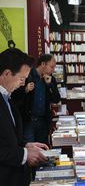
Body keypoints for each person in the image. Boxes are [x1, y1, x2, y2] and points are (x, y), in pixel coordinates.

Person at [0, 48, 48, 185]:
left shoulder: (7, 96)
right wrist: (25, 154)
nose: (23, 84)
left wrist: (27, 144)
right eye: (21, 79)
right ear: (7, 73)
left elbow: (7, 136)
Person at [13, 54, 60, 145]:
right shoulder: (28, 76)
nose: (53, 70)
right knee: (30, 149)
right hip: (28, 120)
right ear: (43, 64)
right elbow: (14, 97)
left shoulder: (51, 79)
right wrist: (25, 90)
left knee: (42, 149)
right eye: (51, 67)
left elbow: (56, 99)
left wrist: (49, 84)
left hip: (43, 120)